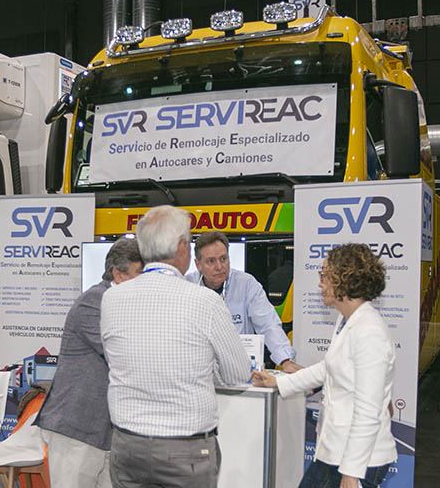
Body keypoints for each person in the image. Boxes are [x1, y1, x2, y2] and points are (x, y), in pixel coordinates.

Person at [100, 206, 250, 488]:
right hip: (186, 450)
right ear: (182, 247)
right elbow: (238, 374)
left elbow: (118, 361)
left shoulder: (111, 299)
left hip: (127, 446)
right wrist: (205, 369)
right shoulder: (205, 301)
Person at [253, 243, 396, 488]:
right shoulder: (347, 320)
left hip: (359, 461)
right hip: (336, 451)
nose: (320, 283)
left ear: (345, 280)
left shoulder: (369, 332)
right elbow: (328, 367)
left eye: (324, 275)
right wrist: (279, 381)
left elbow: (368, 409)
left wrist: (351, 473)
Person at [38, 238, 143, 488]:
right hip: (78, 428)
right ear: (118, 274)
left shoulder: (126, 305)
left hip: (107, 431)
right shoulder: (94, 302)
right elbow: (121, 355)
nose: (145, 282)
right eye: (140, 274)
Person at [186, 231, 301, 373]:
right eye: (211, 261)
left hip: (239, 369)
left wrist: (285, 360)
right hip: (199, 368)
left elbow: (268, 324)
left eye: (223, 259)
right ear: (198, 264)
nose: (219, 267)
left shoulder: (246, 284)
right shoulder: (186, 285)